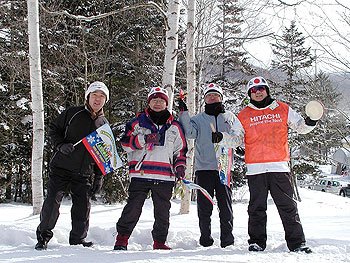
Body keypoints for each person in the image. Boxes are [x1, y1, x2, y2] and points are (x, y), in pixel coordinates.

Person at [219, 76, 317, 253]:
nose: (258, 92)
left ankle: (297, 243)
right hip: (256, 169)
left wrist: (311, 122)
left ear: (267, 90)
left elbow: (300, 126)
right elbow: (236, 139)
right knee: (256, 208)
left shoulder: (282, 108)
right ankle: (256, 242)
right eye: (254, 90)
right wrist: (223, 138)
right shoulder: (244, 114)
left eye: (261, 89)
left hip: (279, 166)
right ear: (250, 93)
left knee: (288, 207)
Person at [35, 81, 109, 250]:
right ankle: (43, 237)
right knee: (52, 204)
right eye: (94, 95)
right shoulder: (72, 113)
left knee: (83, 207)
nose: (97, 100)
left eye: (101, 96)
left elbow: (102, 152)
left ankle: (78, 239)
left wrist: (99, 176)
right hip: (61, 167)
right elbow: (54, 129)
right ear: (88, 97)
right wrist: (60, 145)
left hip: (84, 172)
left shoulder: (103, 123)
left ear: (105, 100)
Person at [114, 87, 187, 251]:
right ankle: (121, 240)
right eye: (154, 100)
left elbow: (180, 150)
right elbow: (125, 144)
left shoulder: (175, 126)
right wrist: (143, 139)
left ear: (166, 104)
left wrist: (180, 166)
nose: (158, 103)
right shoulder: (136, 123)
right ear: (149, 102)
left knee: (162, 212)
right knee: (133, 209)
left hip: (165, 176)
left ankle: (159, 243)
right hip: (140, 173)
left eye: (161, 100)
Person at [177, 83, 237, 248]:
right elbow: (189, 133)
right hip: (204, 168)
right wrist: (183, 113)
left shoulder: (230, 117)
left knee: (225, 206)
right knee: (204, 207)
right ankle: (205, 239)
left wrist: (223, 137)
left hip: (224, 168)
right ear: (205, 99)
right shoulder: (198, 119)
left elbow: (238, 138)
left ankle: (227, 240)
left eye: (215, 95)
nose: (212, 97)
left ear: (221, 98)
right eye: (208, 95)